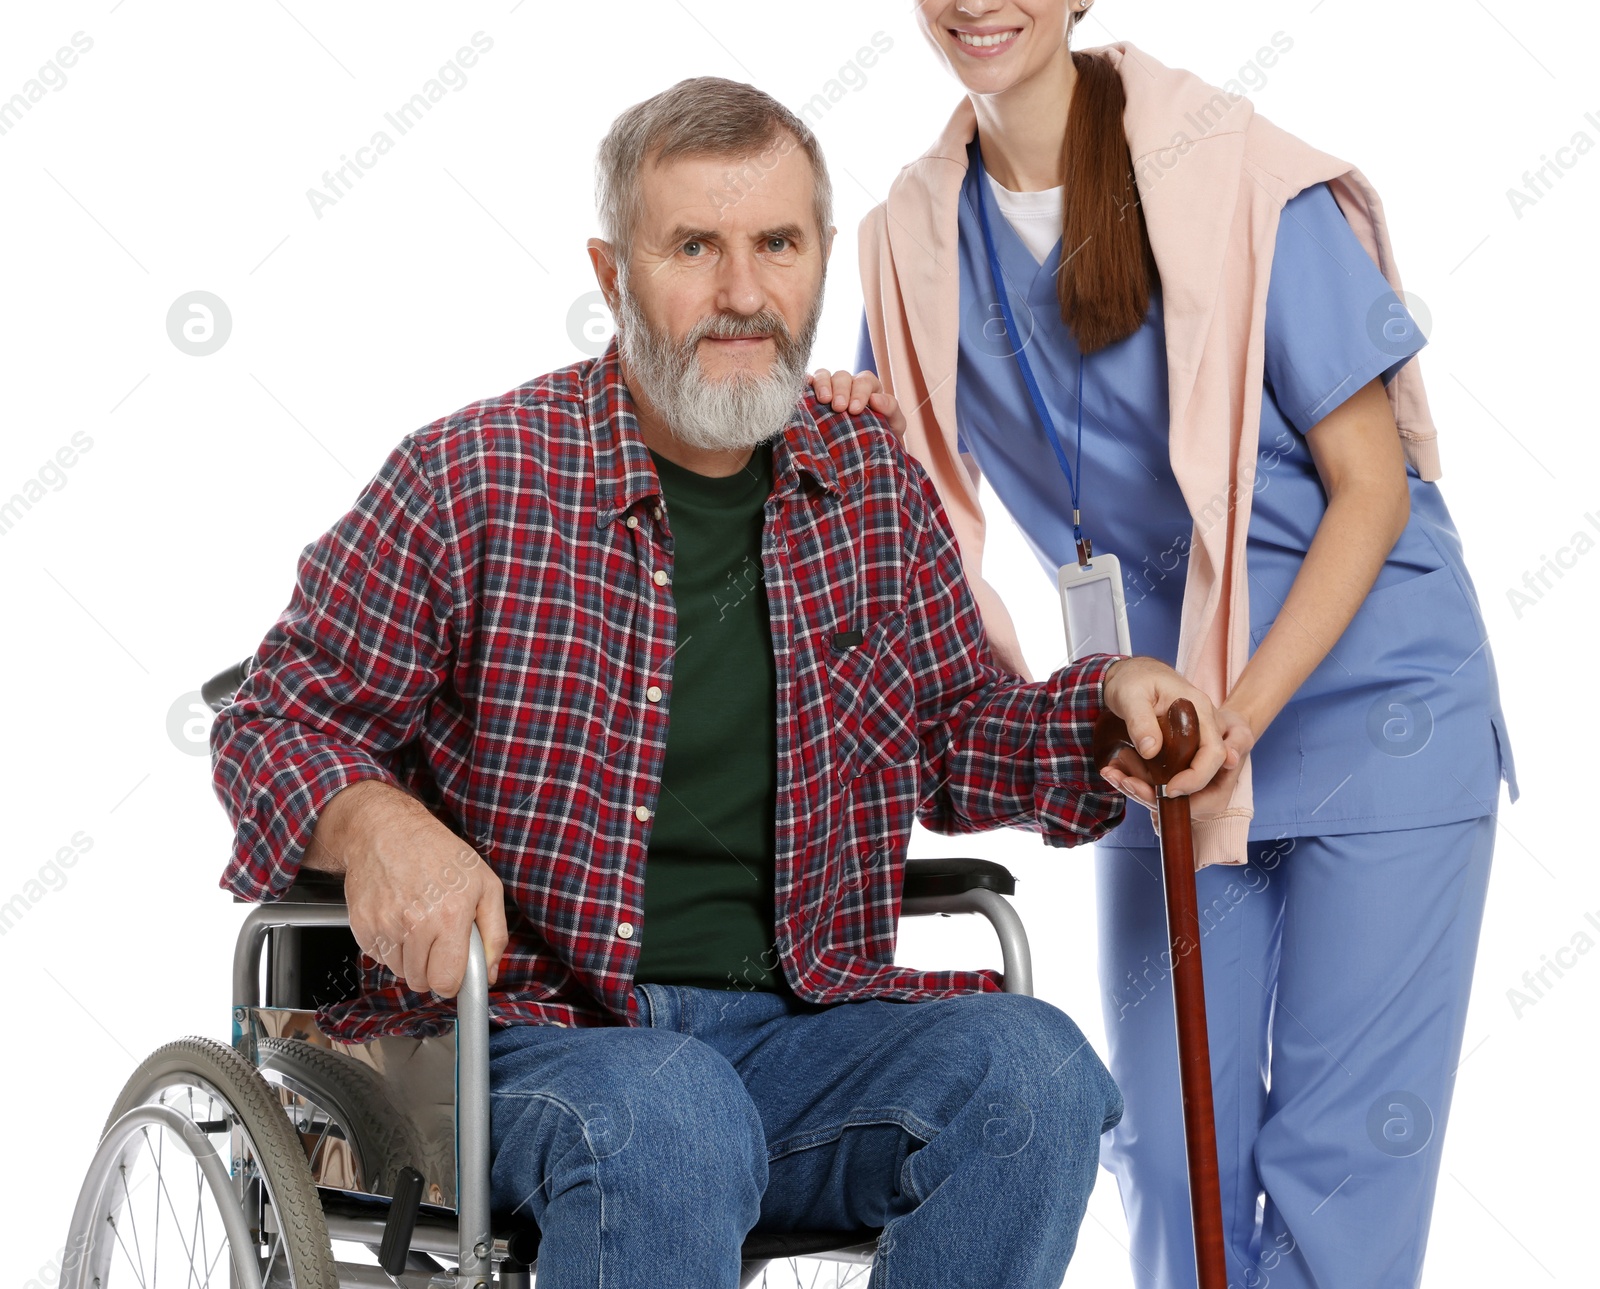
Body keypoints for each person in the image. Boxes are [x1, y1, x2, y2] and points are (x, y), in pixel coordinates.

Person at [211, 75, 1233, 1289]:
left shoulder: (867, 484)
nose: (742, 292)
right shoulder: (475, 475)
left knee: (1039, 1072)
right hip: (517, 1037)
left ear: (818, 261)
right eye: (693, 245)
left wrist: (1102, 700)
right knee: (669, 1109)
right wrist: (372, 818)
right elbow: (279, 713)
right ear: (611, 273)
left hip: (802, 1034)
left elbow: (956, 730)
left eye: (777, 245)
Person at [813, 0, 1518, 1289]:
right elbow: (904, 508)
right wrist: (830, 419)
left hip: (1367, 693)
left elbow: (1372, 489)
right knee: (1173, 1147)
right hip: (1159, 715)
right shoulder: (907, 236)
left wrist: (1245, 712)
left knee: (1339, 1156)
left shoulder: (1242, 177)